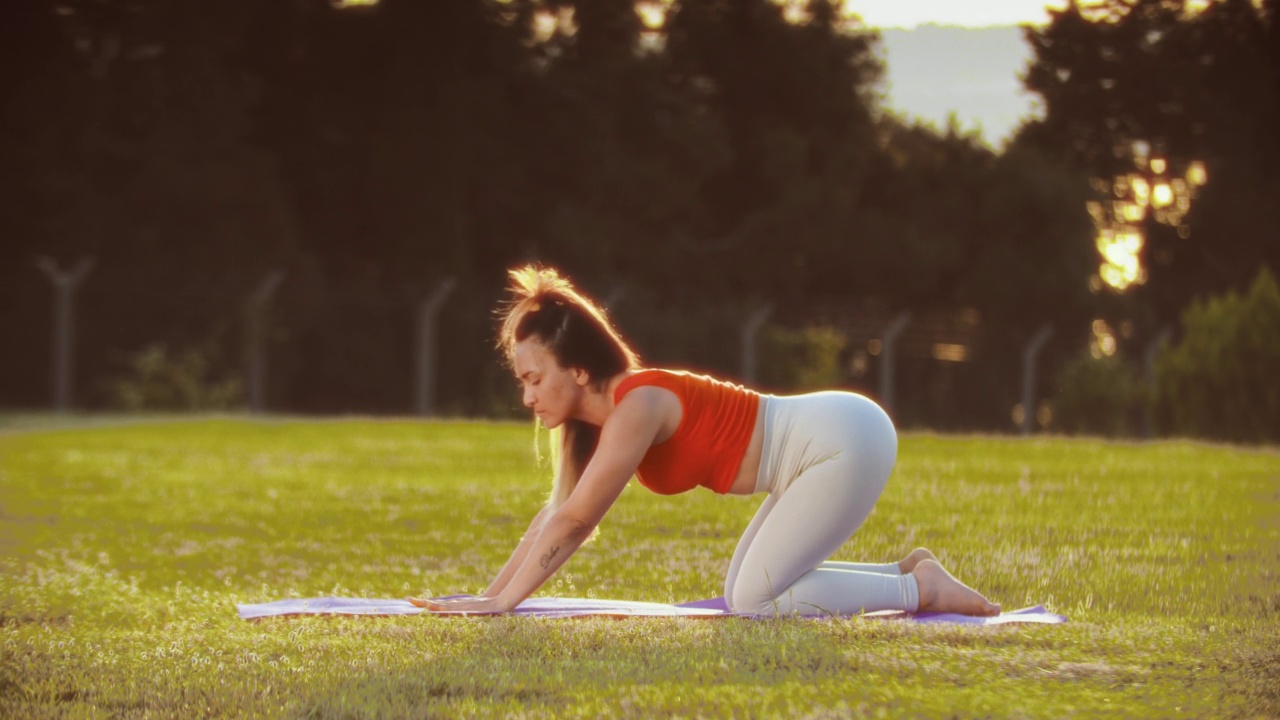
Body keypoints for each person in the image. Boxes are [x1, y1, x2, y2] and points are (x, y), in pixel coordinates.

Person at [411, 266, 1000, 617]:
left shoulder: (636, 403)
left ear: (580, 371)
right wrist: (488, 595)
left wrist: (502, 604)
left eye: (534, 379)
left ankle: (917, 589)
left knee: (754, 602)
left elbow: (575, 523)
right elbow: (556, 515)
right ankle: (910, 571)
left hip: (843, 441)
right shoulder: (608, 422)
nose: (528, 397)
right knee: (747, 590)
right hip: (826, 445)